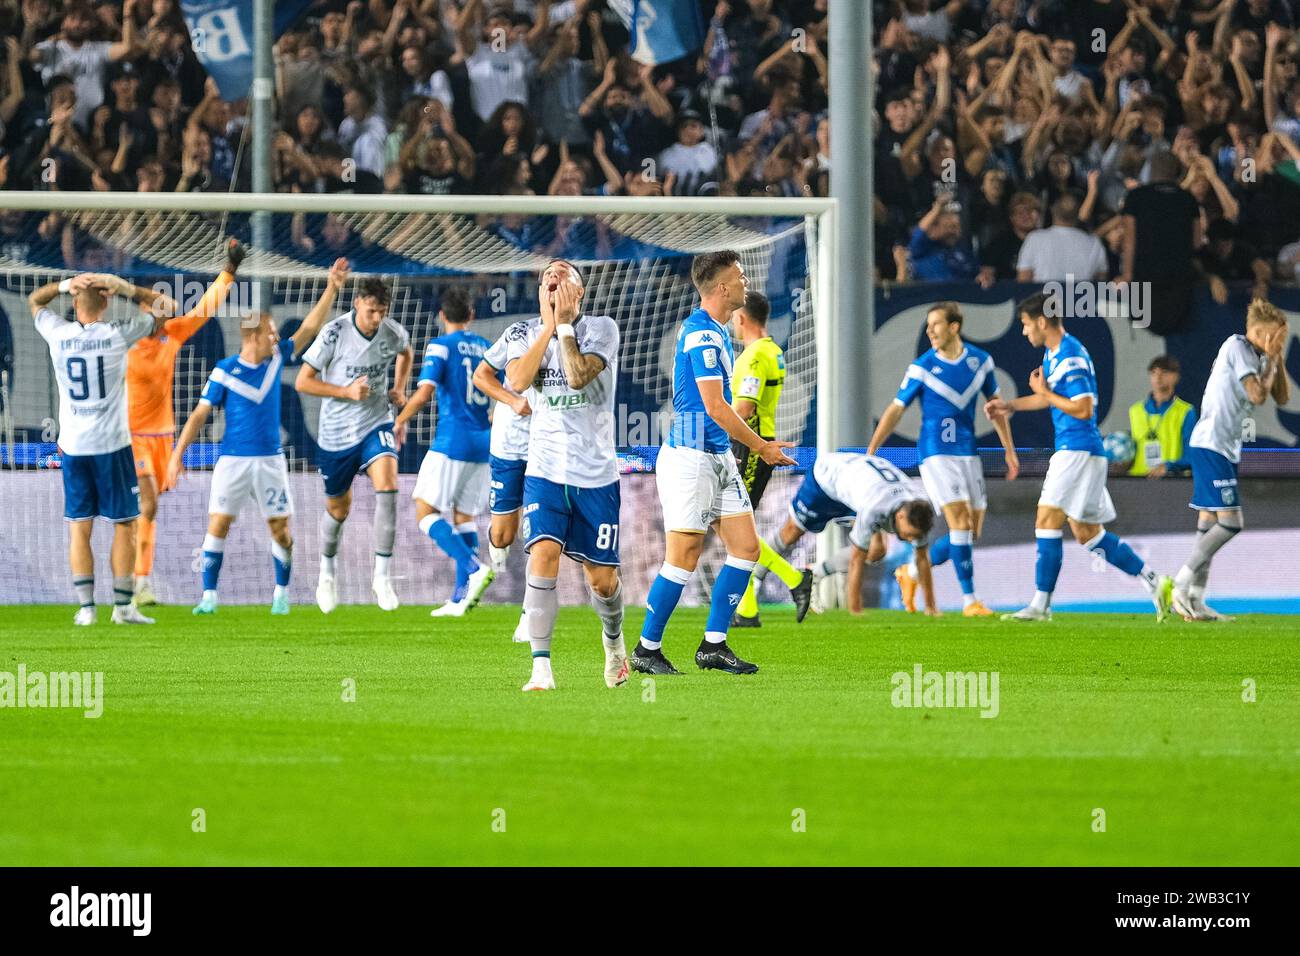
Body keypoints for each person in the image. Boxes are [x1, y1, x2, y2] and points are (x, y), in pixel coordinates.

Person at [632, 251, 796, 678]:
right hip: (690, 458)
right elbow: (716, 407)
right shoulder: (702, 334)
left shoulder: (718, 332)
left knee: (746, 548)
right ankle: (646, 649)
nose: (745, 282)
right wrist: (762, 447)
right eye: (739, 276)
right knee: (683, 556)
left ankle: (713, 645)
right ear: (722, 288)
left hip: (717, 455)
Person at [986, 293, 1173, 622]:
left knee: (1046, 520)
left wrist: (1045, 392)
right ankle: (1156, 582)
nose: (1024, 332)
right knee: (1089, 534)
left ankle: (1041, 606)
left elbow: (1084, 408)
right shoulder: (1052, 355)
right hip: (1084, 452)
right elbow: (1050, 401)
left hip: (1076, 450)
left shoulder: (1070, 354)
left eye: (1027, 325)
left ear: (1042, 322)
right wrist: (1011, 405)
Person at [168, 286, 336, 614]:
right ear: (252, 337)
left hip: (271, 461)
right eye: (270, 334)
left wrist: (332, 287)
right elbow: (200, 415)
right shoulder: (225, 371)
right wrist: (177, 454)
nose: (276, 339)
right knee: (218, 523)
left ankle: (281, 595)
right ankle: (209, 597)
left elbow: (310, 329)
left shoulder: (276, 359)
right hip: (233, 460)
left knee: (280, 530)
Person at [503, 259, 627, 692]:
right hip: (545, 471)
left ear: (580, 291)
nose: (553, 282)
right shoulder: (521, 334)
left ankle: (614, 647)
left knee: (602, 581)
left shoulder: (602, 330)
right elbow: (517, 381)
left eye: (563, 277)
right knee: (543, 556)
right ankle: (541, 669)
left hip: (596, 476)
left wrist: (566, 327)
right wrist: (546, 328)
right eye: (546, 279)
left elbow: (575, 377)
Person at [31, 270, 171, 625]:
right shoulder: (115, 335)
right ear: (106, 300)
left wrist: (63, 285)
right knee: (124, 523)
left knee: (80, 525)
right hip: (112, 446)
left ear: (75, 302)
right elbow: (166, 306)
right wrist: (127, 289)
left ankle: (86, 609)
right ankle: (123, 607)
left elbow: (35, 300)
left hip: (74, 447)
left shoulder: (58, 334)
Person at [867, 301, 1019, 616]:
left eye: (936, 324)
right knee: (960, 524)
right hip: (935, 455)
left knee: (968, 532)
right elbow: (896, 409)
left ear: (954, 327)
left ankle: (909, 573)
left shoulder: (981, 362)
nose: (929, 331)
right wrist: (872, 448)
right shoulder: (922, 367)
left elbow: (995, 408)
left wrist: (1009, 450)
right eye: (928, 325)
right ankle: (970, 601)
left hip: (968, 455)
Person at [126, 238, 243, 606]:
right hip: (132, 437)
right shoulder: (123, 340)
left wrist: (229, 272)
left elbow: (203, 309)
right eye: (153, 306)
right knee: (146, 504)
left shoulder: (171, 334)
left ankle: (132, 579)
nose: (161, 312)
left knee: (147, 509)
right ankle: (138, 583)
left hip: (163, 435)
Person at [296, 275, 413, 613]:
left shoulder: (392, 332)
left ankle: (382, 576)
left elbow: (405, 352)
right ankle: (327, 572)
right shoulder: (335, 333)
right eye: (372, 311)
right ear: (358, 303)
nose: (377, 318)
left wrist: (400, 387)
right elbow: (304, 381)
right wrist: (345, 392)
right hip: (336, 433)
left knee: (388, 487)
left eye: (382, 311)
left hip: (376, 421)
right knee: (338, 509)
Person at [1172, 300, 1290, 622]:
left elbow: (1281, 396)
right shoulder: (1236, 346)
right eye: (1271, 336)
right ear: (1257, 331)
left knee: (1208, 525)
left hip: (1224, 448)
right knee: (1231, 523)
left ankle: (1195, 602)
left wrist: (1274, 356)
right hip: (1211, 445)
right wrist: (1271, 359)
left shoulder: (1258, 356)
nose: (1274, 341)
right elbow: (1257, 395)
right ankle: (1179, 585)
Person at [394, 288, 496, 616]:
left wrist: (400, 420)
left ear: (442, 316)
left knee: (425, 512)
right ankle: (459, 598)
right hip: (484, 442)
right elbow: (507, 388)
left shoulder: (440, 346)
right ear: (471, 315)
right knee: (464, 516)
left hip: (452, 441)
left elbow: (424, 393)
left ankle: (473, 567)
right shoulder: (486, 348)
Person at [728, 291, 813, 628]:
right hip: (758, 445)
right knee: (739, 530)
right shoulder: (773, 351)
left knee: (737, 531)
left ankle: (794, 579)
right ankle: (747, 610)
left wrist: (718, 426)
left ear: (741, 318)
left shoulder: (753, 357)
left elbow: (744, 409)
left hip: (750, 448)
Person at [771, 452, 939, 616]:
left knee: (876, 550)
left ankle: (815, 573)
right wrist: (856, 610)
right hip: (827, 477)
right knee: (792, 532)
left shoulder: (919, 511)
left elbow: (922, 558)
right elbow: (856, 560)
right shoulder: (875, 508)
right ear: (900, 516)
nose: (911, 539)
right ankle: (755, 578)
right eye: (909, 534)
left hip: (860, 487)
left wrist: (931, 607)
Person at [473, 316, 534, 642]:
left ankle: (530, 613)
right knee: (503, 532)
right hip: (509, 447)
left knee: (540, 532)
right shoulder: (519, 333)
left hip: (547, 449)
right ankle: (496, 553)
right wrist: (510, 401)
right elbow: (481, 375)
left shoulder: (579, 336)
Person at [1128, 355, 1197, 478]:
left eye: (1164, 372)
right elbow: (1132, 451)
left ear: (1176, 377)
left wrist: (1168, 466)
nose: (1158, 377)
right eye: (1153, 372)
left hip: (1171, 482)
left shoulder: (1186, 411)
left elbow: (1192, 456)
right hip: (1138, 481)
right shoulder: (1135, 410)